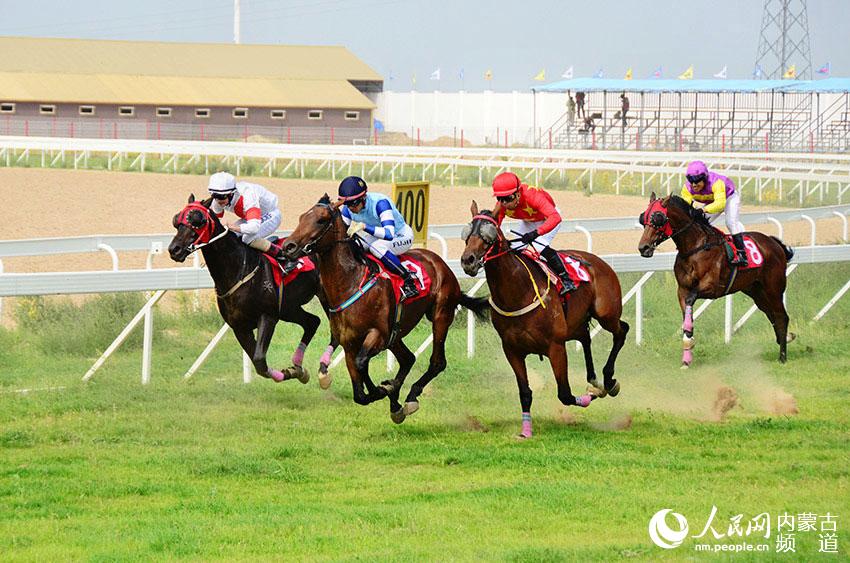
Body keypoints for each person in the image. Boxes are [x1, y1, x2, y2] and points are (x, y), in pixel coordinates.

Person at [491, 171, 575, 295]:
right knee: (514, 250)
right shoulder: (502, 204)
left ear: (518, 193)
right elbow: (496, 224)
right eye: (500, 199)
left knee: (540, 246)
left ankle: (567, 280)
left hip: (548, 219)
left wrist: (536, 233)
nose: (504, 204)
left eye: (508, 198)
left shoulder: (533, 196)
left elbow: (555, 218)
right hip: (528, 220)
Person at [337, 176, 419, 301]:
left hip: (400, 235)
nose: (350, 209)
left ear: (363, 198)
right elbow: (341, 233)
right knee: (355, 245)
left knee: (376, 247)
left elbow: (388, 234)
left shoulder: (381, 203)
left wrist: (365, 227)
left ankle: (408, 278)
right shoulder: (348, 209)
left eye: (353, 204)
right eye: (347, 205)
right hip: (376, 235)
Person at [207, 171, 298, 274]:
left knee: (247, 237)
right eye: (215, 196)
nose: (218, 201)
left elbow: (253, 227)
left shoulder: (248, 195)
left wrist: (233, 227)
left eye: (222, 197)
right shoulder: (220, 197)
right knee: (229, 235)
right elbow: (213, 222)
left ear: (232, 193)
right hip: (251, 217)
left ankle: (286, 257)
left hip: (271, 214)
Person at [681, 161, 748, 266]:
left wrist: (702, 210)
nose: (694, 185)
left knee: (730, 223)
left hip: (729, 198)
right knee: (698, 223)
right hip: (712, 201)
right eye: (691, 181)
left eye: (697, 181)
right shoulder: (687, 188)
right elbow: (685, 206)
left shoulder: (716, 183)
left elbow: (720, 204)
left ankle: (742, 254)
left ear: (705, 178)